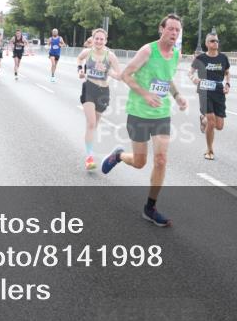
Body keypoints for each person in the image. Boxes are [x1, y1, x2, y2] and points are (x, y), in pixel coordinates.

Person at [102, 14, 187, 227]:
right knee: (140, 163)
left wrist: (177, 97)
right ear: (161, 29)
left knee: (160, 159)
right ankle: (119, 156)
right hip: (139, 113)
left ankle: (150, 208)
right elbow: (126, 75)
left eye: (177, 30)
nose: (174, 33)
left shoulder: (176, 54)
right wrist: (145, 94)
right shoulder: (148, 50)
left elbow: (167, 80)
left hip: (161, 114)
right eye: (171, 29)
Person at [76, 28, 122, 170]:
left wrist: (106, 70)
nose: (99, 41)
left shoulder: (110, 56)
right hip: (89, 87)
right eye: (97, 38)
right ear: (93, 39)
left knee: (94, 125)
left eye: (102, 39)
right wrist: (80, 70)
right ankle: (89, 157)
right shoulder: (88, 52)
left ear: (105, 41)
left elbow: (120, 76)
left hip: (103, 92)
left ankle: (88, 144)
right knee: (90, 123)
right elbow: (79, 58)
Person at [189, 33, 231, 160]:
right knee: (212, 122)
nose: (215, 43)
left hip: (218, 91)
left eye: (217, 41)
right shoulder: (201, 58)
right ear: (207, 44)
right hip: (204, 91)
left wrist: (228, 84)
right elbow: (190, 72)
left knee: (219, 126)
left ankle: (203, 119)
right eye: (212, 41)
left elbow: (227, 73)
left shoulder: (223, 58)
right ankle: (209, 150)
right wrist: (193, 78)